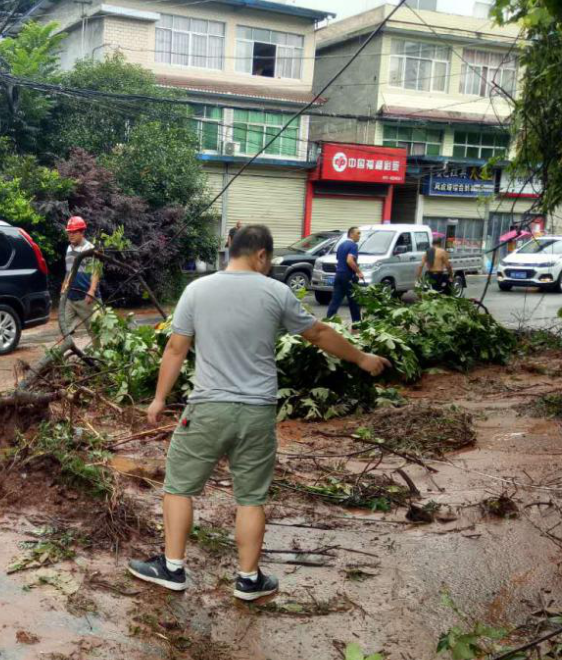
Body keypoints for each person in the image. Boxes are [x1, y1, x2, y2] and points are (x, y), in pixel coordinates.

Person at [128, 225, 390, 601]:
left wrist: (158, 399)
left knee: (178, 487)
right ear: (262, 256)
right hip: (258, 413)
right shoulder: (276, 292)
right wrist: (362, 358)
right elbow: (316, 333)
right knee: (250, 498)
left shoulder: (197, 290)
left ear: (231, 249)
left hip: (208, 409)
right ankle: (248, 579)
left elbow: (175, 348)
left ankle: (172, 568)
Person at [60, 216, 101, 336]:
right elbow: (69, 270)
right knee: (64, 330)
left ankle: (98, 354)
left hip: (87, 298)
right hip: (70, 297)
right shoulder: (68, 248)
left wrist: (92, 290)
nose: (71, 235)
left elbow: (96, 271)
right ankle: (67, 352)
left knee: (95, 332)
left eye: (74, 232)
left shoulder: (90, 249)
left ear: (82, 232)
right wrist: (63, 285)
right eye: (69, 232)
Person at [326, 226, 365, 323]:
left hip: (339, 275)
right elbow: (349, 260)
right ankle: (357, 324)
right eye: (358, 233)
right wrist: (358, 272)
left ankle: (328, 321)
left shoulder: (341, 245)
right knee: (354, 301)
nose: (359, 236)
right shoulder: (353, 246)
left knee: (335, 300)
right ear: (351, 234)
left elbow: (339, 259)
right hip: (348, 276)